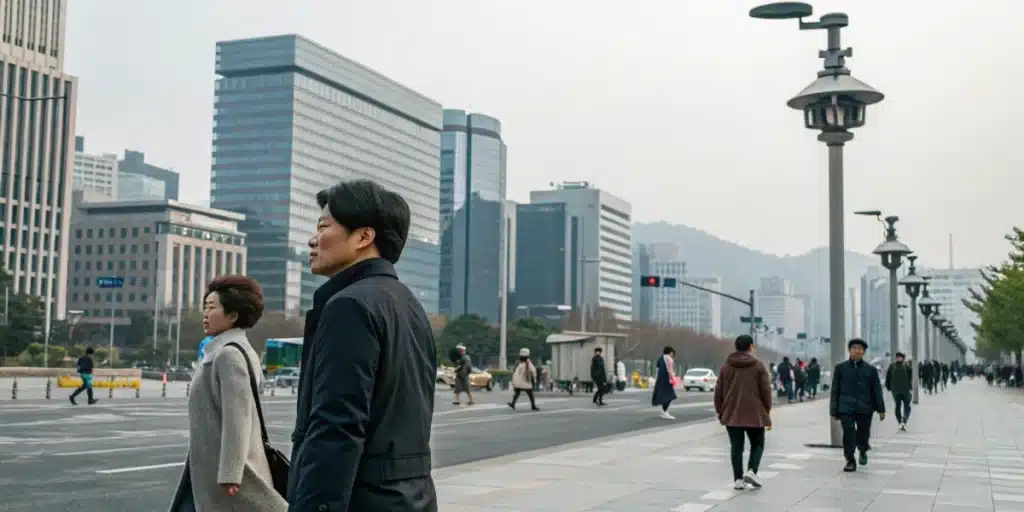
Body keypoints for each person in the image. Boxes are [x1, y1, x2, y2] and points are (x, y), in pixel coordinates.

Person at [288, 180, 437, 511]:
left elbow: (337, 426)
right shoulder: (409, 305)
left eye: (323, 227)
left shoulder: (349, 306)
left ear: (364, 237)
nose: (313, 239)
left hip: (363, 500)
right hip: (412, 497)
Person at [168, 276, 287, 512]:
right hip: (211, 469)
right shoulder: (227, 351)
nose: (205, 314)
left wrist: (231, 473)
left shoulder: (229, 355)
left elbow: (238, 419)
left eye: (212, 308)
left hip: (230, 477)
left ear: (233, 315)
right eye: (205, 307)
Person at [714, 335, 772, 490]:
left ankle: (738, 479)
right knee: (758, 443)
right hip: (755, 413)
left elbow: (718, 392)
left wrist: (721, 412)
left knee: (736, 446)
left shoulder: (726, 366)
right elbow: (766, 392)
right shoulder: (758, 366)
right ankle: (752, 471)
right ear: (751, 347)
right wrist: (766, 412)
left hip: (731, 414)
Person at [830, 338, 885, 473]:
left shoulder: (871, 370)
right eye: (854, 348)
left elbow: (876, 390)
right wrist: (833, 409)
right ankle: (850, 460)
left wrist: (881, 409)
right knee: (848, 433)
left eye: (860, 349)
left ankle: (863, 449)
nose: (857, 351)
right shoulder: (840, 368)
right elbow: (835, 390)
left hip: (865, 408)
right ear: (849, 350)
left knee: (863, 434)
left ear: (863, 352)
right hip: (845, 407)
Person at [885, 352, 913, 431]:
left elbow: (910, 377)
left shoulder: (907, 366)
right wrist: (888, 386)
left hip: (905, 390)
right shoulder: (892, 366)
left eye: (900, 357)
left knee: (907, 406)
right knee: (897, 406)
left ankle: (904, 420)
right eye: (898, 357)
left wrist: (911, 387)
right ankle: (900, 421)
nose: (899, 358)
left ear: (903, 358)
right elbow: (888, 377)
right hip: (896, 391)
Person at [652, 346, 678, 419]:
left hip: (660, 380)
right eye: (672, 353)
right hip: (667, 380)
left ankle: (664, 411)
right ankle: (664, 412)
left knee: (665, 396)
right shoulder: (669, 359)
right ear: (670, 352)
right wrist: (673, 379)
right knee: (670, 396)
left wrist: (656, 380)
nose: (673, 355)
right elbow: (670, 371)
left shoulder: (660, 359)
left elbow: (657, 371)